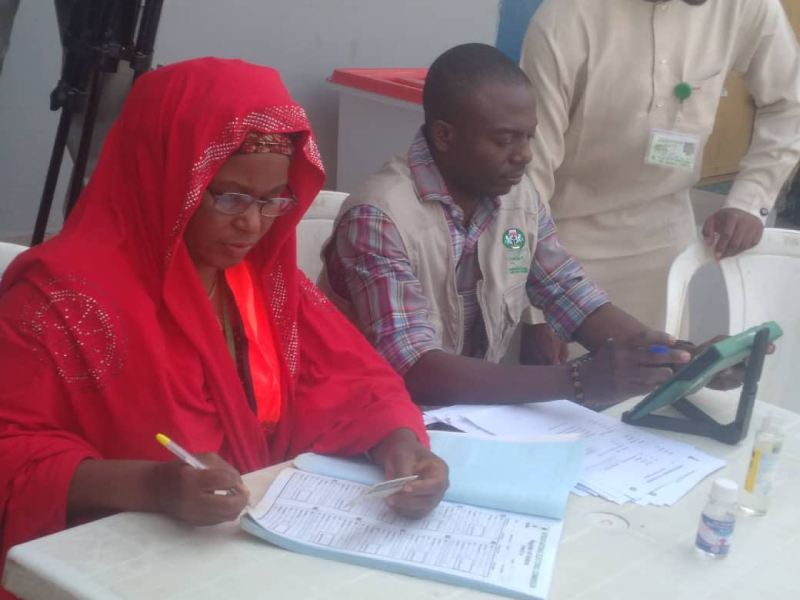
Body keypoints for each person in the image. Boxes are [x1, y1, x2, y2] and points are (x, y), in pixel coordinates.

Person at [0, 58, 448, 579]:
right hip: (116, 563)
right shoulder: (60, 296)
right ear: (165, 177)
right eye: (230, 197)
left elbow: (353, 382)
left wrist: (400, 447)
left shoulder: (260, 281)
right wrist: (152, 485)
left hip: (249, 552)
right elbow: (12, 451)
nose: (252, 223)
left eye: (272, 200)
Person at [319, 43, 696, 409]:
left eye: (528, 136)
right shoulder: (380, 216)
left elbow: (569, 294)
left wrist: (678, 359)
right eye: (503, 140)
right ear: (444, 135)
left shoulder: (519, 199)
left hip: (468, 416)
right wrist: (578, 380)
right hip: (371, 422)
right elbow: (415, 368)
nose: (524, 155)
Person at [520, 0, 800, 354]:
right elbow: (526, 184)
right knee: (554, 398)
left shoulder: (745, 5)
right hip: (562, 247)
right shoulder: (566, 19)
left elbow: (790, 100)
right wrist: (535, 312)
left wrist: (751, 199)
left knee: (654, 389)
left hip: (665, 244)